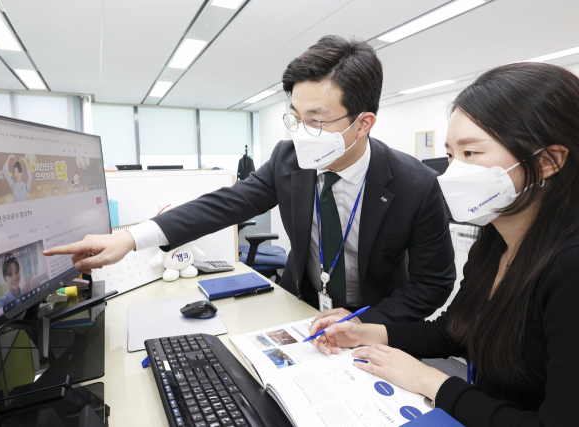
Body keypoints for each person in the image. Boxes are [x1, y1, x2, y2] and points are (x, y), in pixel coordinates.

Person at [44, 36, 456, 323]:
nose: (301, 133)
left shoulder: (415, 185)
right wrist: (131, 239)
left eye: (316, 120)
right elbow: (224, 204)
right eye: (295, 117)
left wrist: (364, 322)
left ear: (363, 123)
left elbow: (433, 284)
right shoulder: (289, 160)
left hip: (377, 321)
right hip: (302, 309)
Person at [308, 62, 579, 426]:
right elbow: (456, 331)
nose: (453, 173)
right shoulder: (493, 242)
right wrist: (364, 332)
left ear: (548, 161)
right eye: (451, 155)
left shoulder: (569, 267)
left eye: (471, 153)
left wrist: (429, 381)